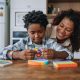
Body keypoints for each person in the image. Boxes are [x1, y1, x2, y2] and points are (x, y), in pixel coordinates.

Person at [0, 10, 71, 60]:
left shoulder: (51, 43)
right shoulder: (23, 43)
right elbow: (1, 52)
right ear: (27, 31)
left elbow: (70, 54)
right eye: (32, 32)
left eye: (40, 32)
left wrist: (56, 54)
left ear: (45, 30)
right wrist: (18, 55)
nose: (36, 36)